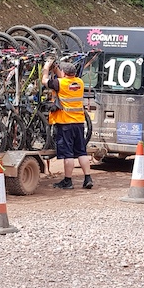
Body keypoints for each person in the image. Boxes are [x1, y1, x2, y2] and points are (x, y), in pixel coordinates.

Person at [42, 59, 93, 190]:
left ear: (64, 73)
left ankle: (68, 181)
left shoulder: (60, 83)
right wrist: (56, 69)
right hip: (79, 122)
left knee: (68, 155)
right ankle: (88, 178)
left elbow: (44, 81)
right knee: (82, 152)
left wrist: (47, 68)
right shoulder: (79, 82)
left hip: (65, 123)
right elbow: (63, 79)